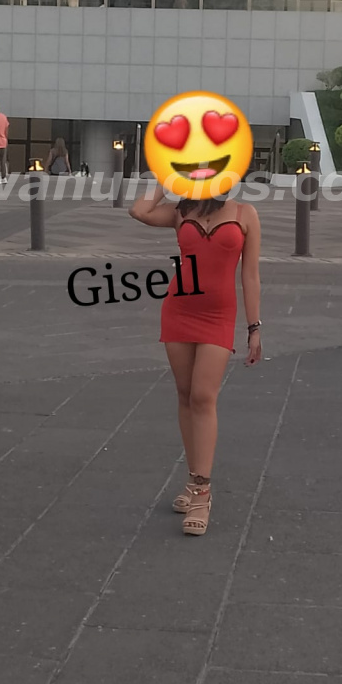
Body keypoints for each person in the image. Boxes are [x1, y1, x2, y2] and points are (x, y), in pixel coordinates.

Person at [129, 188, 262, 537]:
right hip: (179, 308)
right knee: (186, 395)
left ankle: (202, 493)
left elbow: (250, 275)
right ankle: (193, 480)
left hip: (218, 315)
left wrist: (254, 327)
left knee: (203, 397)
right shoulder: (180, 211)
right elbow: (139, 211)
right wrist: (164, 177)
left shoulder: (245, 213)